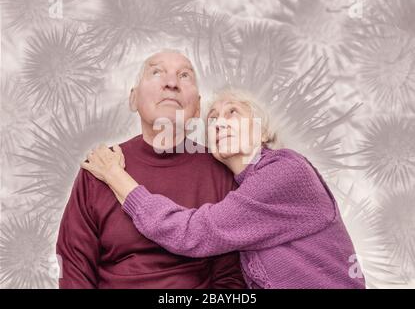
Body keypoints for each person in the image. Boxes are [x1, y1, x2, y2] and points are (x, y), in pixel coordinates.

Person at [82, 87, 366, 289]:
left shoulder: (286, 170)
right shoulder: (239, 189)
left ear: (263, 131)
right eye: (213, 119)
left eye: (233, 113)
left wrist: (115, 176)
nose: (219, 123)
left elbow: (194, 233)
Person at [56, 50, 246, 288]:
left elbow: (231, 277)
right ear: (133, 99)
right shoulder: (100, 168)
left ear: (198, 108)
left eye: (184, 75)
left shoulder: (222, 173)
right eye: (156, 72)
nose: (171, 83)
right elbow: (74, 267)